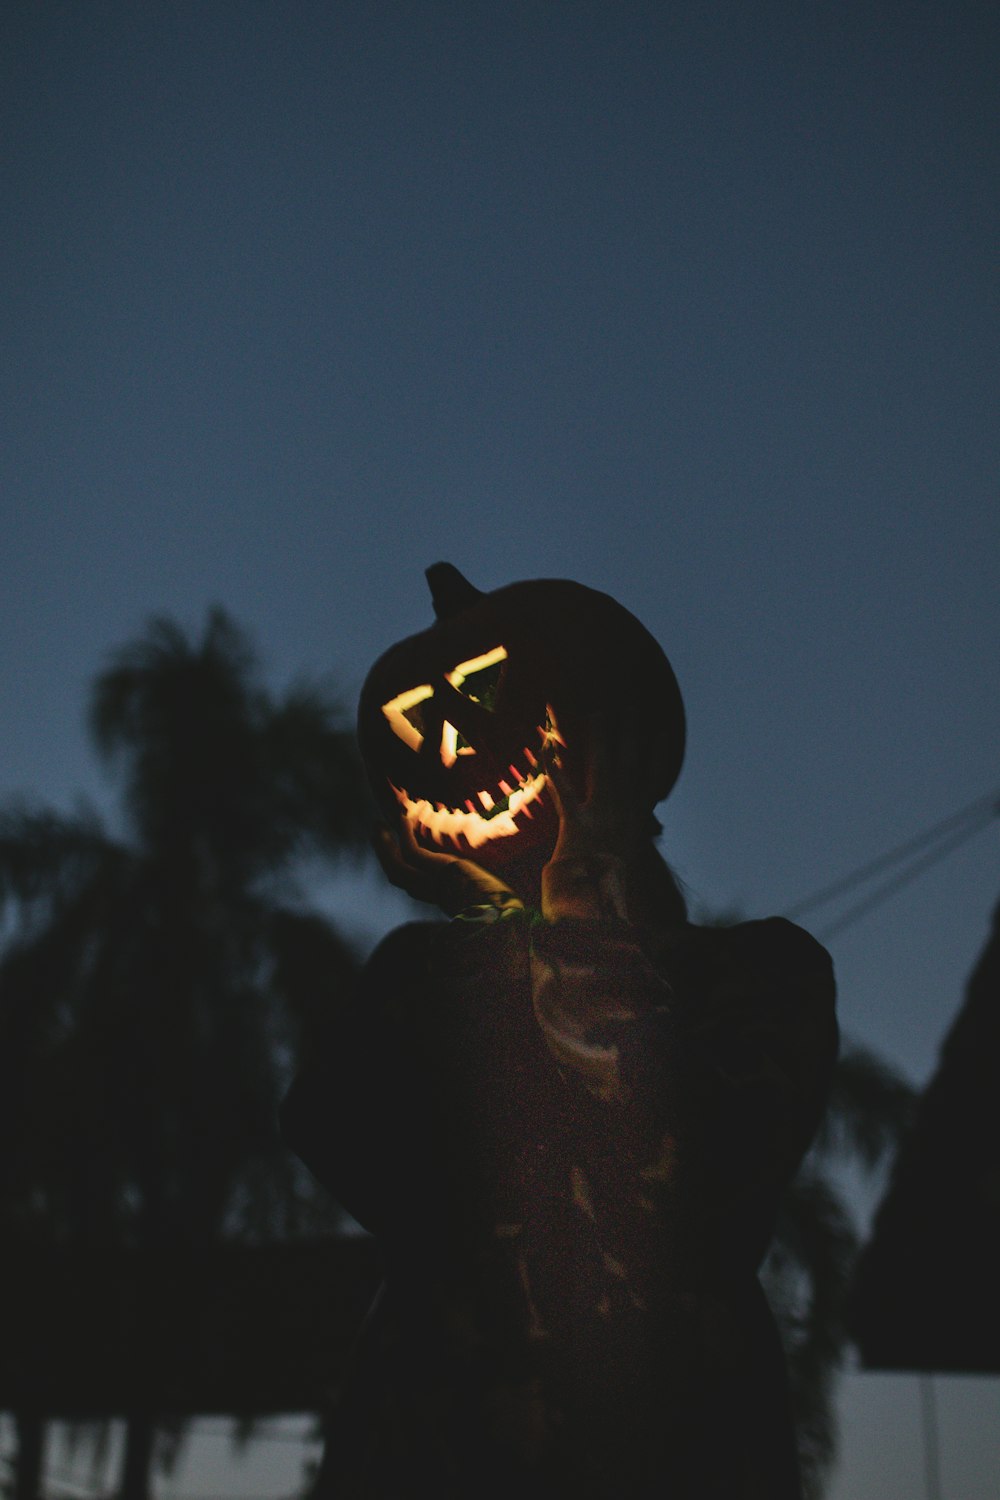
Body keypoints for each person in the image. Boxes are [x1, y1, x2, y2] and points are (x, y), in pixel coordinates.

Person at [281, 566, 837, 1498]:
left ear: (613, 729)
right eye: (418, 722)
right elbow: (342, 1136)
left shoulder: (764, 977)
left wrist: (585, 895)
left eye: (486, 691)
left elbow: (702, 1162)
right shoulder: (414, 986)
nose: (452, 744)